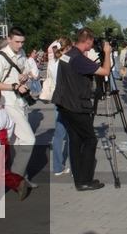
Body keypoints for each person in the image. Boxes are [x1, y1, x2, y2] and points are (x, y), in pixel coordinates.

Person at [52, 28, 112, 191]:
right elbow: (105, 71)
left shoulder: (67, 54)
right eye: (92, 42)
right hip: (77, 105)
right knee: (90, 139)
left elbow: (78, 71)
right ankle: (85, 180)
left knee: (75, 141)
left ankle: (79, 179)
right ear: (88, 41)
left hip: (64, 103)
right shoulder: (78, 58)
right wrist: (107, 53)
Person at [0, 26, 36, 184]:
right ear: (8, 39)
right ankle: (16, 178)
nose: (20, 45)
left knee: (17, 141)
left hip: (21, 101)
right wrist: (14, 86)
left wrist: (24, 78)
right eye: (17, 42)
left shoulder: (22, 53)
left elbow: (26, 73)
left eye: (22, 42)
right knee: (29, 138)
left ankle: (21, 177)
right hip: (8, 102)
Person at [0, 87, 28, 201]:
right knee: (0, 168)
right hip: (5, 142)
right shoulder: (3, 112)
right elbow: (10, 124)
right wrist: (7, 137)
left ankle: (16, 182)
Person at [47, 37, 73, 176]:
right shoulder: (67, 61)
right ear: (67, 47)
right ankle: (74, 168)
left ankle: (57, 167)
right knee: (72, 135)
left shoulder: (52, 62)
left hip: (57, 99)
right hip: (69, 99)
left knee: (59, 134)